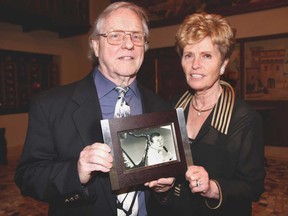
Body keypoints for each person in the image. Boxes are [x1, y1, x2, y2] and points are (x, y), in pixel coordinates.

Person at [14, 2, 174, 216]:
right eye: (116, 35)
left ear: (144, 46)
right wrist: (76, 172)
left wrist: (164, 189)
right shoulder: (50, 105)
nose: (128, 44)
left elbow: (166, 192)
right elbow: (28, 178)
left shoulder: (161, 107)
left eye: (136, 36)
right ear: (96, 46)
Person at [155, 12, 266, 216]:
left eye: (206, 55)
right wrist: (161, 186)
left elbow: (253, 187)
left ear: (223, 64)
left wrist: (211, 187)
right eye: (189, 55)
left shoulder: (244, 118)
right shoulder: (171, 109)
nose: (195, 64)